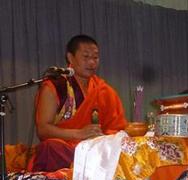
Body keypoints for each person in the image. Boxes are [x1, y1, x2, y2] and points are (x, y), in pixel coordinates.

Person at [31, 34, 127, 171]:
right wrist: (79, 134)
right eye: (86, 57)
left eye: (95, 57)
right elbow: (43, 130)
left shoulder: (105, 91)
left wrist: (103, 138)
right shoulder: (55, 86)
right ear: (70, 58)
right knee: (50, 147)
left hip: (96, 150)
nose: (92, 62)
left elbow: (117, 128)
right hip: (67, 150)